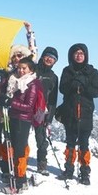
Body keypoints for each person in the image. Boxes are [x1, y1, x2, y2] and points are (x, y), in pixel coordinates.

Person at [58, 43, 98, 185]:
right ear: (71, 55)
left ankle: (84, 173)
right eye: (76, 53)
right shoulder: (67, 70)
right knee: (70, 143)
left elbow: (97, 92)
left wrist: (84, 85)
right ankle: (69, 170)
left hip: (85, 114)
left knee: (84, 144)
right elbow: (62, 89)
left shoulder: (92, 72)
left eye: (81, 53)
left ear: (86, 55)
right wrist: (73, 83)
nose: (79, 55)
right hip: (69, 113)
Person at [1, 56, 43, 192]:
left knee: (19, 150)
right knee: (13, 147)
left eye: (24, 68)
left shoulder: (32, 84)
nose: (20, 70)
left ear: (31, 70)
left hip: (23, 120)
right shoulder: (17, 82)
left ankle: (20, 180)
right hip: (14, 117)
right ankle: (15, 177)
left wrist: (10, 102)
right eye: (19, 68)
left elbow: (29, 106)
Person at [34, 46, 60, 175]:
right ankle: (17, 161)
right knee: (20, 137)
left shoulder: (53, 77)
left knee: (41, 139)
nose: (50, 59)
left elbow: (53, 100)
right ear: (43, 56)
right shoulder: (33, 69)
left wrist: (49, 118)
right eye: (48, 56)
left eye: (53, 58)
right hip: (27, 109)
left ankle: (42, 164)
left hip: (41, 112)